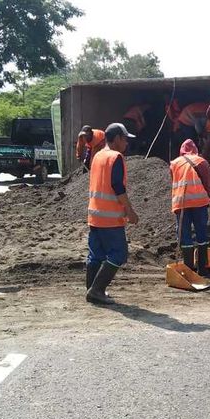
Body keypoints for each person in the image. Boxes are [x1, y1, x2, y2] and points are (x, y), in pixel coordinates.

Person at [86, 123, 139, 305]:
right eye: (125, 139)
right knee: (119, 254)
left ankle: (91, 290)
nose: (126, 144)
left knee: (96, 255)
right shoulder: (115, 157)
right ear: (116, 138)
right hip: (110, 218)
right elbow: (118, 187)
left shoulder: (98, 156)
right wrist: (129, 211)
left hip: (94, 215)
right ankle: (97, 290)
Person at [170, 139, 210, 275]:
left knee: (184, 234)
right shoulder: (201, 162)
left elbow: (174, 181)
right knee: (201, 232)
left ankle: (188, 268)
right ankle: (202, 267)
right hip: (199, 203)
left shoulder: (174, 163)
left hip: (181, 203)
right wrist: (207, 197)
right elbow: (207, 184)